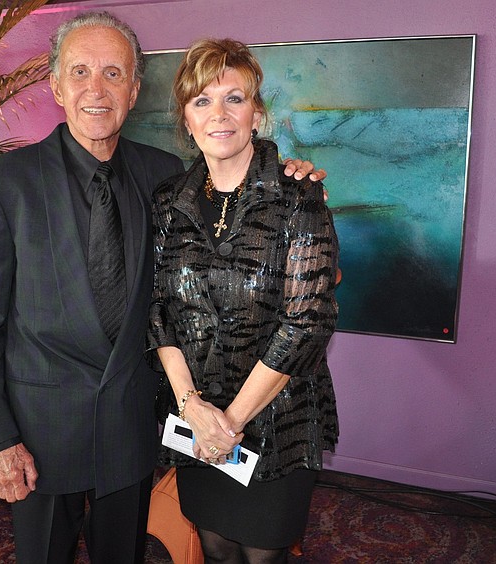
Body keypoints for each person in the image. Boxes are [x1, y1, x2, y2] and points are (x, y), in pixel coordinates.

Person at [0, 12, 324, 564]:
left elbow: (221, 241)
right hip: (40, 432)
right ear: (56, 86)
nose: (96, 89)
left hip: (129, 428)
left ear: (133, 91)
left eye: (113, 73)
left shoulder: (165, 176)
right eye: (79, 72)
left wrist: (292, 174)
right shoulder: (4, 184)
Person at [148, 38, 340, 563]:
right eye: (202, 100)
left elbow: (307, 322)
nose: (219, 114)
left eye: (234, 98)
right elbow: (158, 311)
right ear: (186, 120)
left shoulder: (298, 196)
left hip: (277, 422)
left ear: (256, 113)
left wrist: (228, 424)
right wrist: (193, 409)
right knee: (215, 549)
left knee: (263, 555)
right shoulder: (167, 202)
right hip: (197, 417)